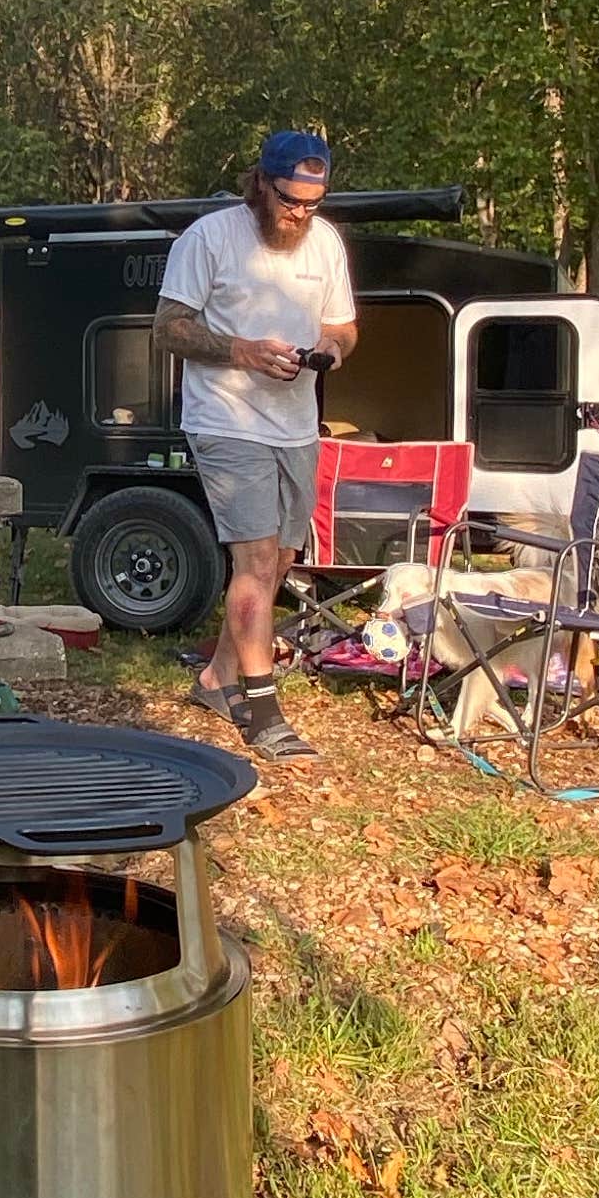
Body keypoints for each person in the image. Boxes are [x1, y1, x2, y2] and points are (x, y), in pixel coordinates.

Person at [156, 129, 357, 761]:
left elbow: (343, 325)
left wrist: (330, 350)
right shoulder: (209, 239)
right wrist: (242, 350)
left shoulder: (324, 242)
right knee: (258, 562)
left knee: (284, 560)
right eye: (290, 199)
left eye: (312, 202)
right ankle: (263, 711)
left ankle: (217, 679)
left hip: (295, 422)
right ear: (261, 185)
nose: (300, 213)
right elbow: (168, 330)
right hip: (225, 420)